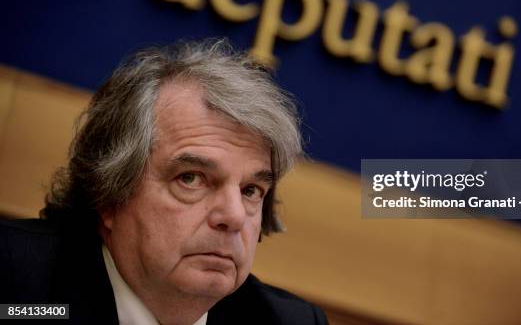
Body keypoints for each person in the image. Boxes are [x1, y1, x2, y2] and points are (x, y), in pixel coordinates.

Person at [0, 39, 328, 324]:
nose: (234, 216)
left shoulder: (285, 321)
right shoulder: (16, 286)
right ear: (109, 194)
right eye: (191, 179)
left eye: (251, 190)